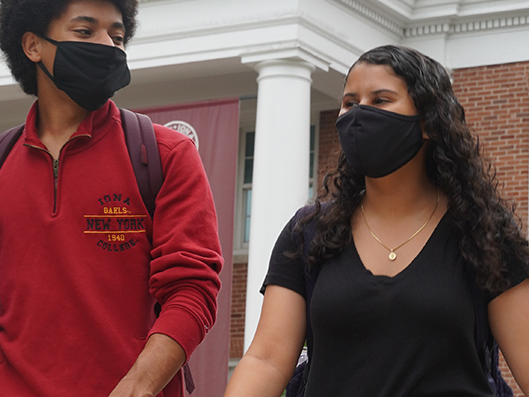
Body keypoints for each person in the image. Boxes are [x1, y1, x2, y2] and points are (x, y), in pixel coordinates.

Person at [0, 0, 224, 397]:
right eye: (86, 30)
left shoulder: (166, 154)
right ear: (33, 46)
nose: (107, 45)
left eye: (117, 36)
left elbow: (193, 291)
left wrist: (138, 386)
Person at [225, 45, 529, 397]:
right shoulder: (308, 233)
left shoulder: (485, 233)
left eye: (381, 100)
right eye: (350, 103)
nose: (359, 115)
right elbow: (266, 360)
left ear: (429, 121)